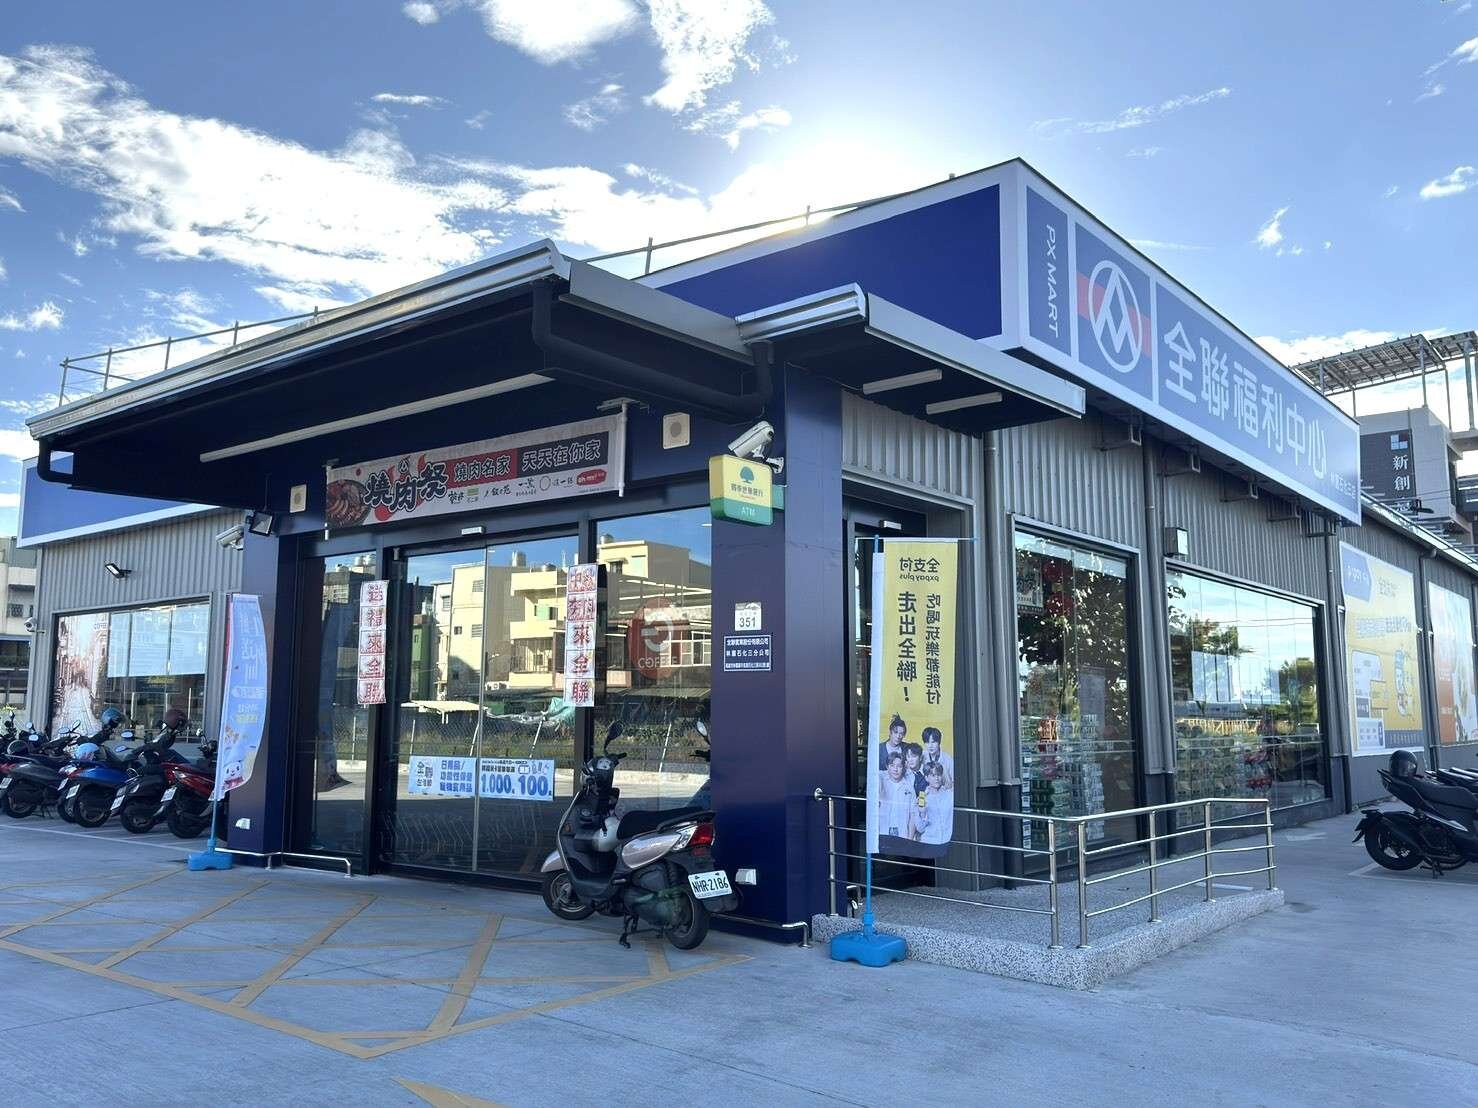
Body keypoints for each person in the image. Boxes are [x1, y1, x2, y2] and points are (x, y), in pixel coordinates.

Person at [911, 760, 954, 846]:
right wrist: (923, 813)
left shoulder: (950, 795)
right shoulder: (922, 798)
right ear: (926, 778)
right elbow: (920, 829)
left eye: (939, 775)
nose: (937, 778)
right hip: (929, 842)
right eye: (933, 775)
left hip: (948, 841)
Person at [877, 751, 915, 840]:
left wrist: (910, 839)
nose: (895, 769)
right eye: (892, 765)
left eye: (899, 766)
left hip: (902, 833)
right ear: (887, 767)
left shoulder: (909, 788)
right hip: (882, 831)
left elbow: (913, 816)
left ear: (903, 768)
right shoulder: (881, 781)